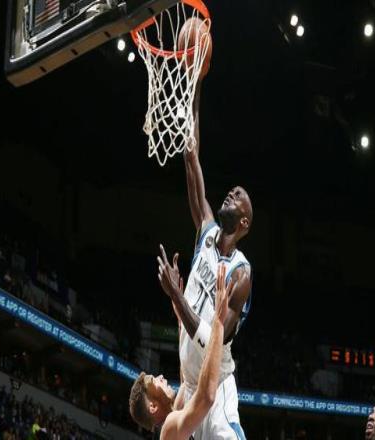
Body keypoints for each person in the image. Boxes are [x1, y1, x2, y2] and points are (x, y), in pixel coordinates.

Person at [157, 79, 252, 438]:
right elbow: (190, 156)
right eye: (231, 191)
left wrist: (175, 295)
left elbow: (214, 339)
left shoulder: (241, 274)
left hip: (217, 383)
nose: (231, 193)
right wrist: (194, 85)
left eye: (238, 196)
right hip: (191, 384)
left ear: (244, 223)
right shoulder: (206, 231)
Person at [129, 264, 233, 439]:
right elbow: (206, 396)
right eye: (155, 381)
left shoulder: (175, 415)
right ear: (153, 407)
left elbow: (186, 380)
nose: (161, 376)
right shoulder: (168, 430)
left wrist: (179, 307)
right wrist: (218, 320)